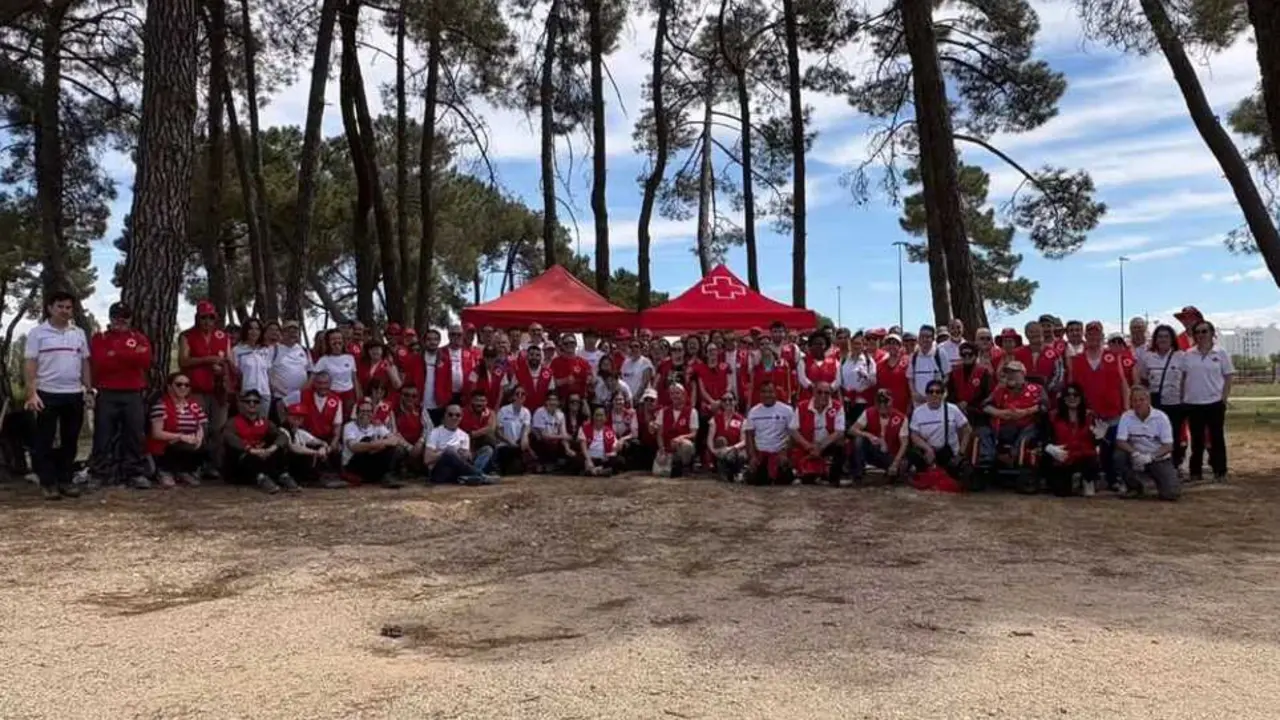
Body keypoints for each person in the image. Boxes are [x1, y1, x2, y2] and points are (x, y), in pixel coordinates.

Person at [24, 290, 92, 500]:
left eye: (68, 307)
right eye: (60, 307)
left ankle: (66, 479)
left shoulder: (78, 333)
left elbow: (84, 362)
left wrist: (88, 390)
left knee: (70, 439)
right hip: (47, 393)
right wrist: (31, 393)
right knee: (44, 439)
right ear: (50, 308)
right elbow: (30, 364)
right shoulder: (38, 333)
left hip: (73, 393)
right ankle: (48, 483)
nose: (64, 311)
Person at [88, 301, 152, 490]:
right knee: (103, 435)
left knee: (134, 434)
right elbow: (100, 361)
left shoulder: (139, 337)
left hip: (133, 392)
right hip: (107, 392)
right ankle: (99, 473)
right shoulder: (100, 338)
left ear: (130, 319)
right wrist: (130, 355)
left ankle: (134, 472)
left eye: (124, 316)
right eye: (116, 316)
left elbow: (146, 360)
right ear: (110, 318)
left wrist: (115, 353)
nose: (120, 320)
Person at [1069, 320, 1129, 490]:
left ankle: (1113, 479)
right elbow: (1072, 386)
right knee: (1087, 448)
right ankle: (1089, 478)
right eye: (1090, 334)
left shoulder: (1113, 356)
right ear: (1085, 337)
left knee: (1110, 449)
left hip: (1112, 412)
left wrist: (1126, 408)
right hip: (1088, 414)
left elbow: (1123, 383)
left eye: (1097, 333)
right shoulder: (1077, 359)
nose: (1093, 337)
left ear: (1102, 336)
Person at [178, 300, 233, 472]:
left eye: (211, 317)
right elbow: (183, 361)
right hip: (196, 389)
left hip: (218, 389)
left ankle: (213, 465)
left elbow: (230, 362)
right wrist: (206, 360)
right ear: (197, 318)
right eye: (203, 318)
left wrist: (225, 371)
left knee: (218, 428)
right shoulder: (187, 336)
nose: (207, 321)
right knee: (198, 427)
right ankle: (194, 465)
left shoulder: (223, 337)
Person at [1181, 319, 1233, 482]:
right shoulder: (1188, 354)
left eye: (1205, 331)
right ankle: (1195, 472)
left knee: (1217, 438)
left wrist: (1223, 398)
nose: (1201, 335)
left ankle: (1220, 471)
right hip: (1194, 403)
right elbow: (1183, 377)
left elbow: (1228, 376)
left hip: (1214, 403)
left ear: (1212, 333)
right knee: (1197, 440)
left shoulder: (1221, 353)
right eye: (1198, 332)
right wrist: (1183, 398)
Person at [222, 389, 293, 494]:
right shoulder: (233, 422)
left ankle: (283, 476)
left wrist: (272, 448)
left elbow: (282, 436)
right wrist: (250, 449)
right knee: (247, 456)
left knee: (278, 448)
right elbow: (228, 437)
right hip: (242, 462)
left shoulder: (265, 422)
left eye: (256, 401)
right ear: (242, 404)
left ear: (260, 405)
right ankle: (261, 478)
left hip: (261, 456)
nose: (252, 404)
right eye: (248, 401)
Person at [1115, 386, 1179, 500]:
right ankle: (1134, 486)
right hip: (1135, 457)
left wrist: (1151, 457)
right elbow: (1120, 441)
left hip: (1158, 458)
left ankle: (1161, 482)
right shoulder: (1126, 416)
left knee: (1171, 494)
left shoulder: (1161, 418)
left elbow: (1168, 446)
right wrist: (1135, 453)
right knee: (1118, 456)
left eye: (1141, 400)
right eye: (1135, 400)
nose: (1138, 403)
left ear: (1148, 400)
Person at [978, 361, 1044, 472]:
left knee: (1032, 428)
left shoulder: (1036, 388)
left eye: (1014, 372)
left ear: (1023, 373)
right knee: (983, 430)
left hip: (1024, 424)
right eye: (1008, 372)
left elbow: (1044, 405)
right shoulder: (1000, 389)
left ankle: (1014, 456)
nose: (1010, 375)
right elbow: (984, 405)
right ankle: (987, 458)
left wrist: (1025, 412)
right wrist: (998, 412)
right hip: (1002, 424)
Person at [147, 373, 209, 489]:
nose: (183, 388)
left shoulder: (193, 405)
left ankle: (184, 471)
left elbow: (201, 423)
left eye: (187, 385)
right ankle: (164, 471)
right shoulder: (161, 405)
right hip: (167, 444)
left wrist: (199, 437)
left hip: (189, 440)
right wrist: (180, 436)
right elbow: (156, 433)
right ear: (170, 386)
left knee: (203, 445)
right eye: (179, 384)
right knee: (180, 444)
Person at [1138, 324, 1186, 468]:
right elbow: (1144, 378)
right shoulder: (1148, 357)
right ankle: (1155, 464)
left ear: (1172, 339)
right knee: (1155, 435)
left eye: (1166, 336)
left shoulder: (1181, 356)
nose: (1163, 339)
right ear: (1155, 339)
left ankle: (1175, 465)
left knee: (1174, 435)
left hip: (1175, 403)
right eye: (1160, 336)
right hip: (1155, 403)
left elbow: (1186, 378)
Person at [908, 380, 972, 483]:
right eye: (931, 391)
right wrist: (927, 449)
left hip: (948, 455)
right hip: (928, 453)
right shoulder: (918, 412)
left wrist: (961, 453)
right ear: (926, 394)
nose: (934, 394)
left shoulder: (952, 409)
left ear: (943, 394)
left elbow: (967, 430)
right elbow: (914, 435)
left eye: (938, 392)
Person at [1043, 383, 1099, 497]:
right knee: (1061, 492)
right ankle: (1073, 481)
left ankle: (1087, 480)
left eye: (1075, 395)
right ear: (1063, 398)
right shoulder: (1053, 416)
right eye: (1068, 395)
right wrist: (1051, 448)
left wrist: (1099, 437)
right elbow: (1044, 437)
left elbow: (1096, 440)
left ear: (1081, 397)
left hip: (1084, 455)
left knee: (1093, 458)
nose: (1072, 398)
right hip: (1062, 456)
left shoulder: (1090, 416)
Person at [293, 371, 346, 488]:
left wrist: (331, 447)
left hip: (326, 438)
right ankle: (315, 478)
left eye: (325, 383)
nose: (323, 386)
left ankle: (334, 475)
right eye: (319, 383)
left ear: (330, 384)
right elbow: (281, 405)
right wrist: (291, 425)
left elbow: (337, 429)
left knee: (337, 449)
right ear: (315, 384)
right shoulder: (302, 395)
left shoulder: (336, 401)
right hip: (308, 436)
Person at [788, 380, 847, 486]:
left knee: (842, 444)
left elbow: (839, 432)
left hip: (827, 445)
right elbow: (793, 430)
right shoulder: (802, 406)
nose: (823, 396)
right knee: (808, 479)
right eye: (819, 392)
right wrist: (808, 446)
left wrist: (820, 447)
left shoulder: (837, 407)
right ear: (814, 392)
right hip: (807, 445)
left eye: (827, 393)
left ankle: (834, 477)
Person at [424, 404, 499, 485]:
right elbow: (427, 459)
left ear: (461, 418)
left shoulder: (464, 435)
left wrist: (466, 455)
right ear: (445, 416)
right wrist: (444, 452)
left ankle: (470, 477)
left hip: (457, 470)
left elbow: (465, 460)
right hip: (440, 471)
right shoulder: (435, 433)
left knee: (487, 450)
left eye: (457, 415)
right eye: (450, 415)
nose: (454, 417)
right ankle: (479, 475)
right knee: (449, 452)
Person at [341, 398, 406, 487]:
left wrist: (380, 444)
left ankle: (387, 475)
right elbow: (354, 447)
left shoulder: (377, 426)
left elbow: (395, 440)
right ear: (357, 413)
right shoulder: (349, 426)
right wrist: (374, 445)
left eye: (368, 411)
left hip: (371, 463)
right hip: (353, 464)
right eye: (362, 411)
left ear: (372, 413)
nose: (366, 414)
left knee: (396, 448)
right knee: (367, 440)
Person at [848, 389, 910, 483]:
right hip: (874, 450)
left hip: (891, 454)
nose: (882, 404)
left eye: (885, 401)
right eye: (879, 401)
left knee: (900, 468)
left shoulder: (901, 418)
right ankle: (858, 474)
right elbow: (852, 430)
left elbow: (904, 443)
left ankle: (892, 471)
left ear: (892, 401)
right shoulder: (868, 412)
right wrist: (868, 435)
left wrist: (895, 463)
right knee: (859, 440)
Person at [743, 379, 795, 485]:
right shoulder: (753, 412)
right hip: (761, 454)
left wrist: (785, 453)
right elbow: (749, 436)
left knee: (784, 480)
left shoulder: (787, 410)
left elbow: (793, 434)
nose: (767, 395)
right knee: (755, 481)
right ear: (760, 394)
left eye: (770, 391)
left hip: (779, 454)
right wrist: (752, 457)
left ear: (775, 392)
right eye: (764, 392)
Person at [269, 320, 313, 422]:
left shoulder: (304, 350)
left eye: (295, 331)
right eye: (289, 331)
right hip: (280, 398)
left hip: (299, 399)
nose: (292, 334)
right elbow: (266, 371)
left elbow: (311, 372)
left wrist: (305, 390)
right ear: (282, 333)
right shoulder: (274, 349)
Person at [279, 402, 329, 489]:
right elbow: (293, 447)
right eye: (294, 415)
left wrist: (323, 448)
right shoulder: (282, 430)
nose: (297, 418)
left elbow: (321, 442)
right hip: (285, 466)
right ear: (287, 416)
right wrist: (315, 452)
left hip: (299, 467)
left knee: (315, 448)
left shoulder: (300, 432)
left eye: (300, 416)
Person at [654, 383, 698, 477]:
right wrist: (661, 449)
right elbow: (659, 434)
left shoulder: (692, 412)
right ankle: (672, 465)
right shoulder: (663, 411)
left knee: (687, 446)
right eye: (672, 394)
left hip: (681, 447)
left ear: (683, 394)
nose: (675, 396)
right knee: (658, 473)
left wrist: (681, 438)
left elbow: (694, 433)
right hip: (667, 448)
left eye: (677, 393)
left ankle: (685, 467)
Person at [314, 328, 360, 414]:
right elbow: (313, 380)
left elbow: (354, 379)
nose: (336, 342)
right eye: (333, 339)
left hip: (349, 395)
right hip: (332, 394)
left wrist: (358, 398)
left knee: (348, 418)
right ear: (328, 342)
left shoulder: (350, 358)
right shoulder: (323, 360)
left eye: (339, 338)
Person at [1013, 321, 1063, 396]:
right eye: (1031, 332)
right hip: (1024, 396)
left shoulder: (1054, 353)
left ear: (1042, 332)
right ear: (1026, 334)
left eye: (1037, 331)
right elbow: (1014, 374)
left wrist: (1044, 391)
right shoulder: (1018, 353)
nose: (1034, 334)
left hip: (1049, 397)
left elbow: (1059, 375)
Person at [839, 331, 877, 427]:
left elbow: (874, 382)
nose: (856, 346)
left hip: (862, 402)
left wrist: (865, 376)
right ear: (850, 344)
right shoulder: (844, 360)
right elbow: (839, 381)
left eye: (859, 344)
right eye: (854, 343)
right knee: (847, 430)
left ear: (863, 345)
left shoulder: (869, 361)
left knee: (860, 432)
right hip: (847, 402)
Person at [707, 392, 747, 482]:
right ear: (721, 403)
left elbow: (744, 441)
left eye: (730, 399)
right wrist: (714, 451)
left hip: (734, 451)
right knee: (721, 440)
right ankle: (722, 471)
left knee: (740, 455)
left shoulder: (742, 420)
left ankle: (735, 472)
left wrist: (731, 449)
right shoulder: (714, 419)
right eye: (724, 400)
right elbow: (709, 439)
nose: (727, 402)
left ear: (735, 402)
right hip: (719, 451)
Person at [495, 386, 534, 474]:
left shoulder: (526, 412)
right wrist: (510, 442)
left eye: (522, 394)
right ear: (513, 396)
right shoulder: (503, 410)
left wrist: (525, 437)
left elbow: (526, 427)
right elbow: (498, 432)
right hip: (505, 445)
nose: (520, 396)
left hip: (518, 445)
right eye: (517, 394)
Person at [578, 405, 624, 476]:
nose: (599, 418)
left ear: (605, 418)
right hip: (589, 458)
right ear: (593, 416)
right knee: (577, 460)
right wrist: (589, 460)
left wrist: (617, 447)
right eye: (597, 415)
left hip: (603, 459)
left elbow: (614, 447)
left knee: (620, 460)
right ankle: (599, 471)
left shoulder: (609, 430)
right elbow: (583, 448)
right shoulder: (584, 429)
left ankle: (595, 471)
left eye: (601, 415)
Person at [531, 392, 573, 471]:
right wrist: (562, 436)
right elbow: (543, 435)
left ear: (558, 402)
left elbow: (563, 433)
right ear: (546, 402)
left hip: (554, 442)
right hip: (541, 441)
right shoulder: (540, 412)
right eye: (550, 400)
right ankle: (541, 464)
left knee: (567, 445)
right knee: (540, 441)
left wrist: (567, 449)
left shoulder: (561, 415)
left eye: (555, 400)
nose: (552, 402)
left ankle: (555, 465)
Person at [233, 319, 272, 402]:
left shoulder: (265, 350)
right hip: (247, 394)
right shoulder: (237, 350)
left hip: (264, 394)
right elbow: (235, 374)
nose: (254, 332)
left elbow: (268, 373)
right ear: (246, 331)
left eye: (257, 329)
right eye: (251, 328)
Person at [459, 390, 498, 473]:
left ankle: (475, 472)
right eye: (477, 400)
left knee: (489, 445)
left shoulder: (490, 413)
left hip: (481, 446)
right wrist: (479, 432)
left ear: (487, 402)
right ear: (472, 401)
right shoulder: (462, 412)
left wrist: (474, 433)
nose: (480, 403)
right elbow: (463, 435)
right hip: (464, 446)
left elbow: (491, 429)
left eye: (483, 401)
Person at [907, 325, 946, 407]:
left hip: (937, 402)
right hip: (918, 403)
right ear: (919, 338)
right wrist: (914, 393)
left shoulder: (940, 354)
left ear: (933, 339)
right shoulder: (913, 356)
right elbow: (910, 379)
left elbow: (947, 376)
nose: (925, 339)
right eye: (922, 336)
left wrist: (935, 393)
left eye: (928, 337)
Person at [798, 333, 840, 403]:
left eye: (821, 344)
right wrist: (814, 388)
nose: (818, 346)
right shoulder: (803, 361)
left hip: (830, 398)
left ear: (826, 346)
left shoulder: (835, 361)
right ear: (810, 346)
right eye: (815, 344)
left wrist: (829, 389)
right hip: (808, 399)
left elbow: (838, 380)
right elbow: (802, 379)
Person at [875, 333, 911, 415]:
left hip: (903, 408)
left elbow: (911, 386)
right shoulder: (879, 365)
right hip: (885, 408)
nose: (892, 346)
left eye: (895, 343)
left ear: (900, 346)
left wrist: (910, 405)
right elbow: (877, 388)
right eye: (889, 343)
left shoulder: (907, 362)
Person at [514, 343, 555, 412]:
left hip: (543, 412)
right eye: (531, 355)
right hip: (523, 412)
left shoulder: (548, 373)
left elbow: (551, 394)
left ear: (541, 357)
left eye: (537, 355)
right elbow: (512, 393)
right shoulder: (519, 373)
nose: (534, 357)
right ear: (527, 357)